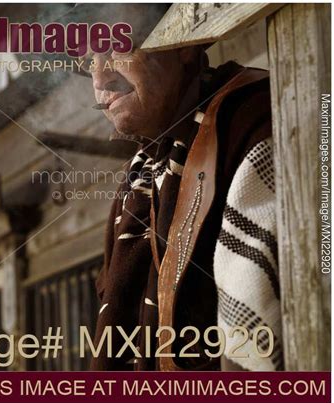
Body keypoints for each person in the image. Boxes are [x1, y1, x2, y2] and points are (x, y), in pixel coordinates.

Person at [86, 23, 282, 371]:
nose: (100, 78)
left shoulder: (256, 121)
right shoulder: (136, 182)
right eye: (89, 59)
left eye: (116, 47)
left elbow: (256, 353)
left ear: (182, 43)